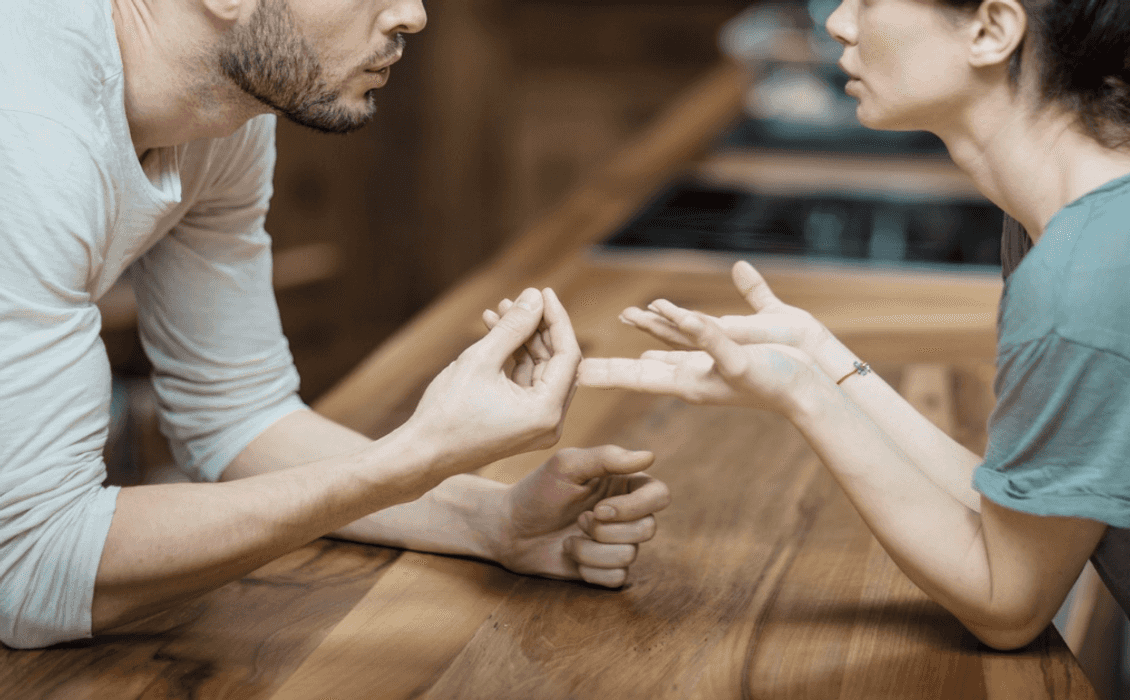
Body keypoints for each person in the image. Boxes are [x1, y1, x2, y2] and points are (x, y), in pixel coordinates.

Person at [580, 0, 1130, 697]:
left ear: (991, 29)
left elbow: (1006, 601)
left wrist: (803, 398)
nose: (838, 23)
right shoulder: (1111, 206)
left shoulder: (1090, 274)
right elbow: (1016, 517)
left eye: (866, 0)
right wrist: (822, 360)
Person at [0, 0, 671, 649]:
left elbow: (235, 416)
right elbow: (31, 572)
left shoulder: (225, 111)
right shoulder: (24, 125)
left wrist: (490, 520)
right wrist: (414, 458)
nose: (413, 14)